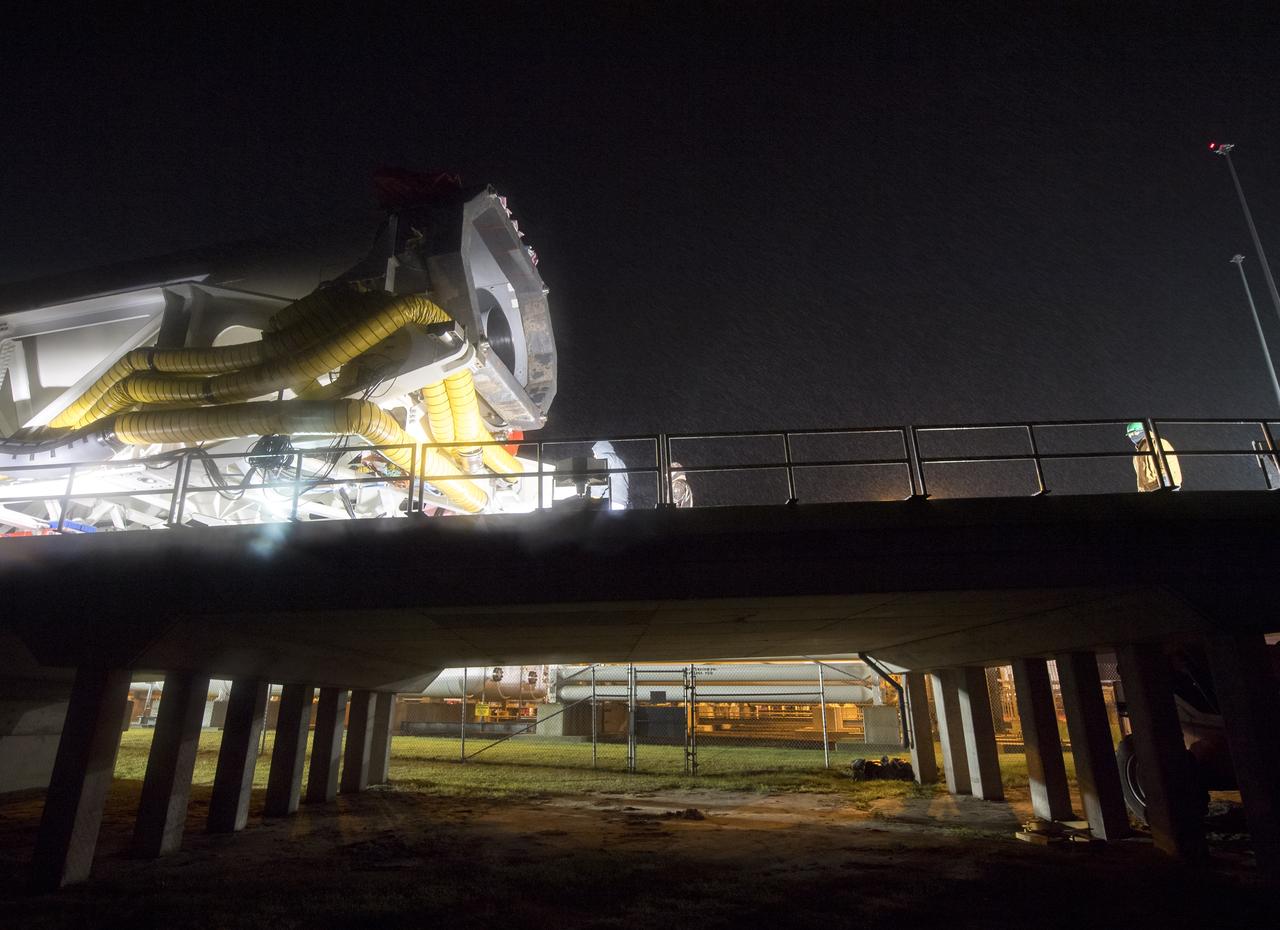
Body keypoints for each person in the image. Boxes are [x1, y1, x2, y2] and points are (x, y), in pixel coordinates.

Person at [1127, 421, 1181, 491]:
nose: (1132, 436)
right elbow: (1141, 477)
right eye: (1130, 435)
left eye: (1134, 433)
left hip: (1163, 488)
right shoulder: (1138, 452)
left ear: (1142, 430)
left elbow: (1169, 464)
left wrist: (1166, 486)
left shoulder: (1158, 443)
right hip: (1150, 490)